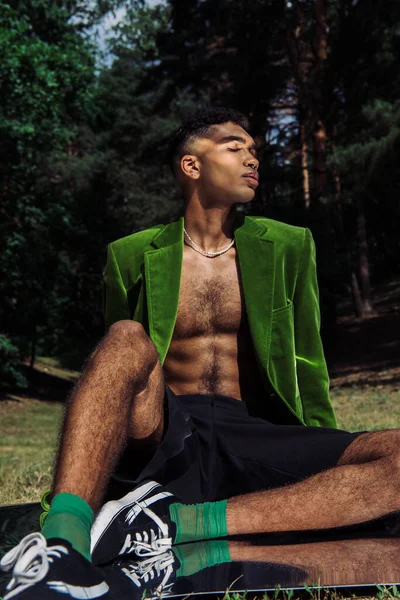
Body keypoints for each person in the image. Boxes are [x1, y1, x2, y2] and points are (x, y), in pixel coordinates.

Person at [2, 108, 400, 600]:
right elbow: (117, 372)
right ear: (191, 166)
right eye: (236, 147)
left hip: (254, 430)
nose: (253, 158)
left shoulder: (289, 246)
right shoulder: (130, 254)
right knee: (126, 335)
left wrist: (328, 460)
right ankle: (62, 546)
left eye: (255, 150)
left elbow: (307, 362)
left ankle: (177, 523)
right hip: (168, 429)